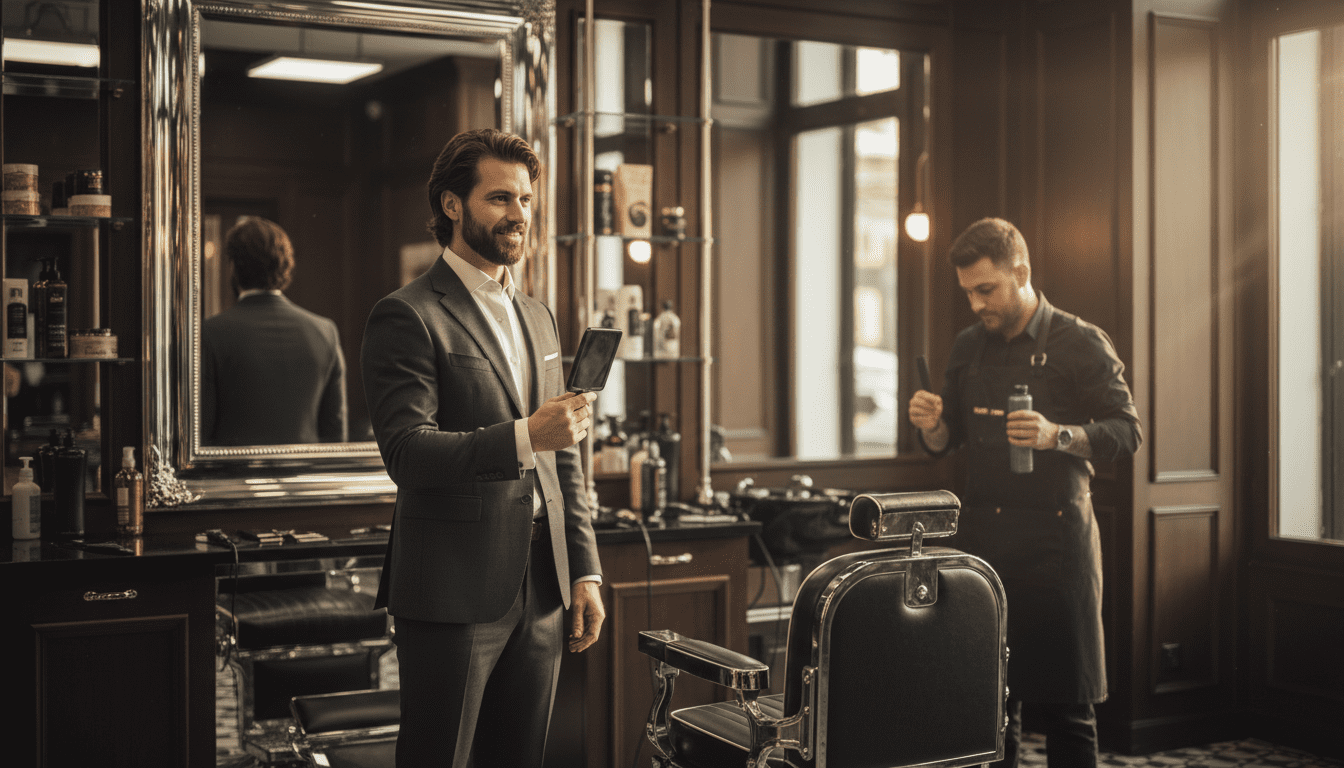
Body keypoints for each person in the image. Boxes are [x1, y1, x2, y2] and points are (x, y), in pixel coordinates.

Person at [360, 128, 605, 768]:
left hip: (545, 586)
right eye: (500, 198)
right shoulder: (406, 315)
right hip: (451, 590)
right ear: (451, 205)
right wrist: (528, 435)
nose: (518, 214)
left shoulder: (540, 317)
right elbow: (409, 454)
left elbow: (565, 458)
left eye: (525, 199)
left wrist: (583, 567)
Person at [908, 218, 1141, 768]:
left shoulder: (1080, 341)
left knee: (1068, 707)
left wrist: (1056, 435)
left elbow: (1127, 432)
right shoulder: (969, 345)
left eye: (985, 289)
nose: (975, 304)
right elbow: (948, 440)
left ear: (1022, 272)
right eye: (968, 291)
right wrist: (930, 423)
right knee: (991, 703)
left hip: (1059, 548)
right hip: (986, 547)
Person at [201, 216, 347, 446]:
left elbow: (201, 435)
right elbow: (335, 435)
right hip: (308, 479)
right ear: (285, 265)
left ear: (233, 267)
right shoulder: (325, 331)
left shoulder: (210, 334)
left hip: (233, 480)